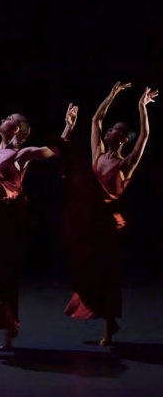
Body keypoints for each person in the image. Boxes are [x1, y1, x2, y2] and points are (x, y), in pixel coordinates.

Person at [0, 67, 75, 348]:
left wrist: (68, 126)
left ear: (17, 129)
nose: (2, 119)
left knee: (4, 271)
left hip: (5, 220)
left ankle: (9, 329)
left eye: (8, 118)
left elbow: (53, 151)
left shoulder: (22, 154)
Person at [62, 82, 156, 345]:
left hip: (110, 224)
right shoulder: (98, 155)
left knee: (107, 273)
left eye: (116, 129)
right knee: (88, 269)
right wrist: (111, 95)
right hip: (91, 221)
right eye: (111, 127)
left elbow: (144, 137)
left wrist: (142, 107)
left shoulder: (125, 164)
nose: (110, 130)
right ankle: (108, 320)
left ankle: (107, 327)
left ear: (123, 139)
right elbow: (96, 120)